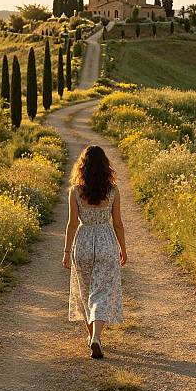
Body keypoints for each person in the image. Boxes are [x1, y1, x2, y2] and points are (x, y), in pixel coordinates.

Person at [62, 145, 127, 359]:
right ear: (105, 166)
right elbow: (118, 224)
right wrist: (123, 249)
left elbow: (72, 224)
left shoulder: (75, 191)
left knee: (85, 292)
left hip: (83, 242)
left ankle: (92, 338)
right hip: (106, 242)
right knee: (101, 293)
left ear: (83, 167)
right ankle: (96, 337)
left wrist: (66, 251)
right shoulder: (112, 191)